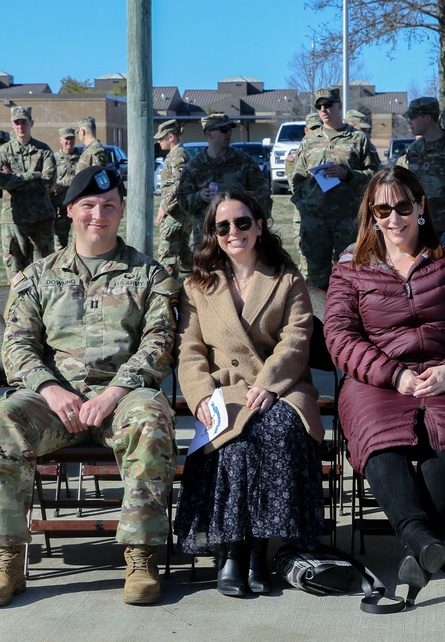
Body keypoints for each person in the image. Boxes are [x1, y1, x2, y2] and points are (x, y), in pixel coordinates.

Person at [0, 166, 180, 607]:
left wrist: (115, 392)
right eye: (87, 205)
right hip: (54, 401)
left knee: (151, 419)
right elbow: (17, 345)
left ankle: (140, 556)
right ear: (70, 210)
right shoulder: (38, 275)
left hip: (121, 397)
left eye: (108, 206)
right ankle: (8, 558)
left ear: (122, 209)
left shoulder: (149, 274)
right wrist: (49, 388)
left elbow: (160, 342)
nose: (97, 215)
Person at [323, 165, 445, 601]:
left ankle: (419, 545)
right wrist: (393, 374)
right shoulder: (351, 268)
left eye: (403, 206)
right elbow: (339, 335)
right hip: (378, 380)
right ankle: (424, 542)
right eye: (382, 208)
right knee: (380, 439)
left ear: (421, 206)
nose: (394, 217)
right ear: (371, 213)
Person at [173, 189, 324, 598]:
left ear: (259, 225)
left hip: (282, 387)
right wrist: (201, 395)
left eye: (242, 222)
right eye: (222, 226)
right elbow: (190, 349)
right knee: (234, 442)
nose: (233, 232)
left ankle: (259, 551)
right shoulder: (197, 285)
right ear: (212, 234)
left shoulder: (286, 277)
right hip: (223, 391)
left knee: (273, 431)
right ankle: (233, 552)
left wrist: (268, 385)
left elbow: (296, 339)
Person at [289, 88, 380, 289]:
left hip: (347, 219)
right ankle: (320, 319)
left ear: (339, 106)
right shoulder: (309, 140)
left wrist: (347, 174)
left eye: (328, 105)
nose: (324, 110)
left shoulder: (357, 139)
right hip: (315, 220)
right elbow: (297, 177)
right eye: (319, 106)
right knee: (316, 274)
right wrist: (302, 204)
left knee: (352, 272)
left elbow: (375, 175)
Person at [176, 113, 271, 253]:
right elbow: (182, 201)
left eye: (230, 130)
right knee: (207, 274)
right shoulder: (195, 166)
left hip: (239, 236)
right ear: (209, 134)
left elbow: (263, 198)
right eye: (223, 130)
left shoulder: (245, 162)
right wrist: (199, 197)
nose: (229, 134)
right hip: (206, 238)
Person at [396, 97, 445, 239]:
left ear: (427, 118)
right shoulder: (415, 149)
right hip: (417, 224)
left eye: (413, 118)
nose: (409, 122)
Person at [0, 106, 56, 278]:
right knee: (15, 269)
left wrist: (16, 179)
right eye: (17, 123)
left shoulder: (43, 150)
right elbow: (2, 181)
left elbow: (48, 181)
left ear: (32, 123)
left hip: (41, 218)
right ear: (12, 125)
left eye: (24, 122)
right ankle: (17, 303)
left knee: (43, 269)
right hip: (13, 219)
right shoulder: (4, 151)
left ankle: (42, 304)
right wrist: (32, 175)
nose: (20, 127)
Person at [153, 119, 192, 278]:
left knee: (166, 255)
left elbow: (180, 185)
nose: (158, 141)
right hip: (180, 212)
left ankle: (170, 293)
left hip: (176, 214)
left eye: (161, 138)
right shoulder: (176, 154)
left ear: (171, 137)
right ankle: (195, 283)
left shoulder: (177, 156)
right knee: (183, 252)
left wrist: (165, 206)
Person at [50, 127, 80, 251]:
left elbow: (80, 178)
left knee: (78, 240)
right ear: (60, 140)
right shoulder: (53, 159)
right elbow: (49, 180)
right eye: (66, 139)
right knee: (60, 243)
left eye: (72, 138)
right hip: (60, 206)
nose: (69, 142)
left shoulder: (82, 158)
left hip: (77, 204)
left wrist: (61, 183)